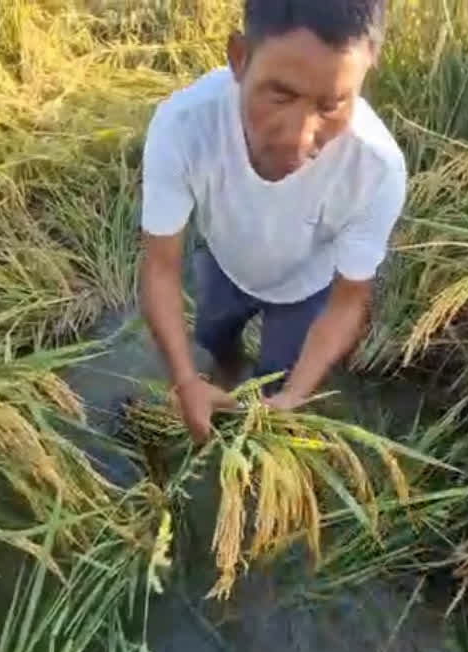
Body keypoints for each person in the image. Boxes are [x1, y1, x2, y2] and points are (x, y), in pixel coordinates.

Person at [139, 0, 406, 442]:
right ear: (239, 58)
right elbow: (160, 268)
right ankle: (221, 381)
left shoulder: (376, 168)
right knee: (213, 338)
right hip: (224, 266)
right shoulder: (182, 126)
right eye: (280, 95)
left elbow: (347, 302)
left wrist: (297, 394)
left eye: (333, 104)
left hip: (306, 289)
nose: (299, 137)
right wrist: (186, 380)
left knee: (280, 375)